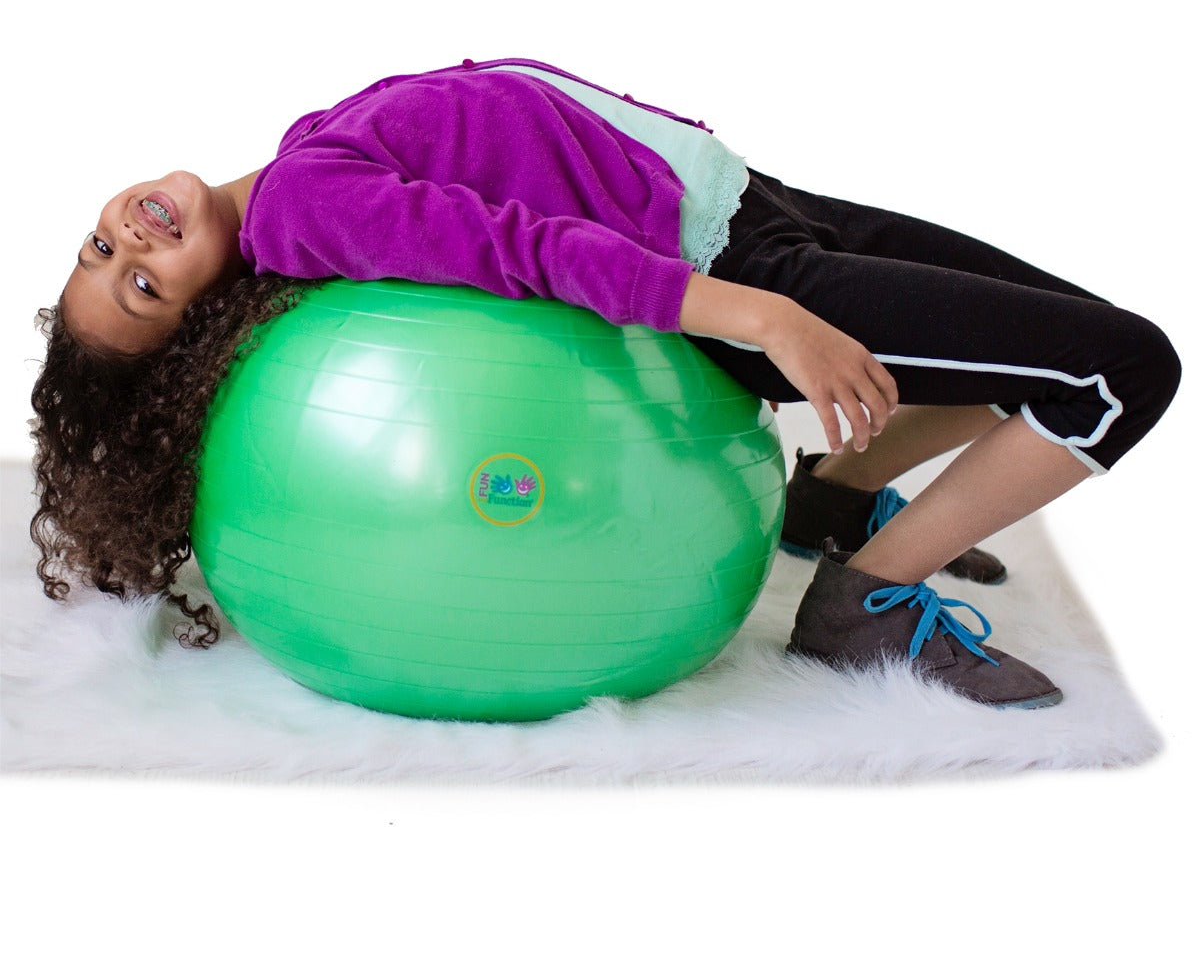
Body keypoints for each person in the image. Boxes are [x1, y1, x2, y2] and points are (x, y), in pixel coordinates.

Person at [30, 57, 1180, 711]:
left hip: (752, 204)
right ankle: (863, 601)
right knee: (1120, 368)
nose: (130, 244)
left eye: (101, 252)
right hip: (739, 262)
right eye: (143, 285)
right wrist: (763, 315)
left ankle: (835, 493)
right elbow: (522, 247)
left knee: (1058, 333)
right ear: (197, 320)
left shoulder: (295, 161)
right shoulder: (303, 212)